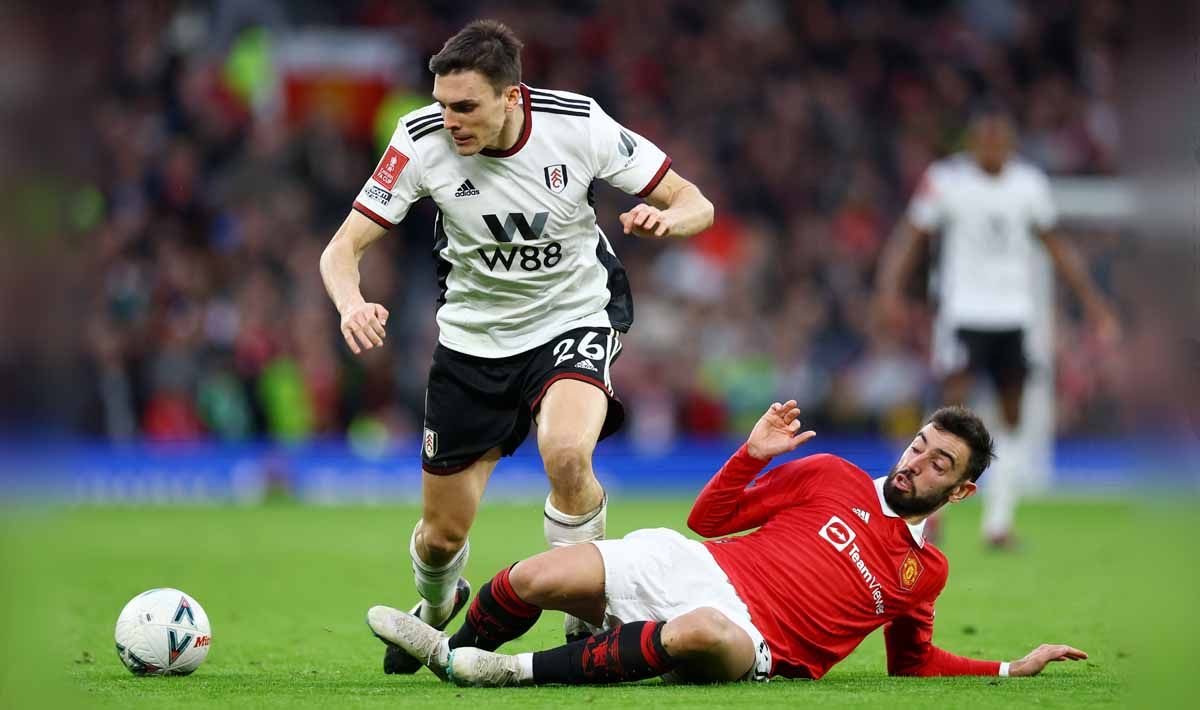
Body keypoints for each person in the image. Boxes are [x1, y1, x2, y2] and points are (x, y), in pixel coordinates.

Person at [319, 20, 714, 673]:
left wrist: (668, 218)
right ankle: (439, 603)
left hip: (574, 316)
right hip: (472, 339)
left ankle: (585, 614)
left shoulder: (578, 124)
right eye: (443, 104)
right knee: (441, 537)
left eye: (466, 106)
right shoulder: (419, 140)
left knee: (564, 453)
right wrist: (351, 303)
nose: (451, 121)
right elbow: (341, 250)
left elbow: (694, 201)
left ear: (513, 96)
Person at [366, 400, 1088, 686]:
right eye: (920, 446)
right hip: (700, 561)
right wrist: (751, 453)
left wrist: (1006, 669)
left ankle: (501, 671)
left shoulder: (923, 572)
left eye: (939, 464)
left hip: (755, 639)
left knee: (700, 630)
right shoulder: (831, 474)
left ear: (960, 492)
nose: (916, 463)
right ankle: (446, 645)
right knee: (532, 576)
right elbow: (710, 521)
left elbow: (914, 663)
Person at [874, 105, 1120, 548]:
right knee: (950, 414)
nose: (993, 149)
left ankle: (999, 522)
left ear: (1010, 145)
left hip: (1014, 318)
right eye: (985, 141)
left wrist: (1093, 302)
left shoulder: (1028, 185)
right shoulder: (947, 181)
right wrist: (889, 288)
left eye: (1000, 141)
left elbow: (1055, 245)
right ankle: (926, 515)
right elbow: (912, 235)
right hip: (964, 315)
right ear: (972, 144)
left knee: (1011, 417)